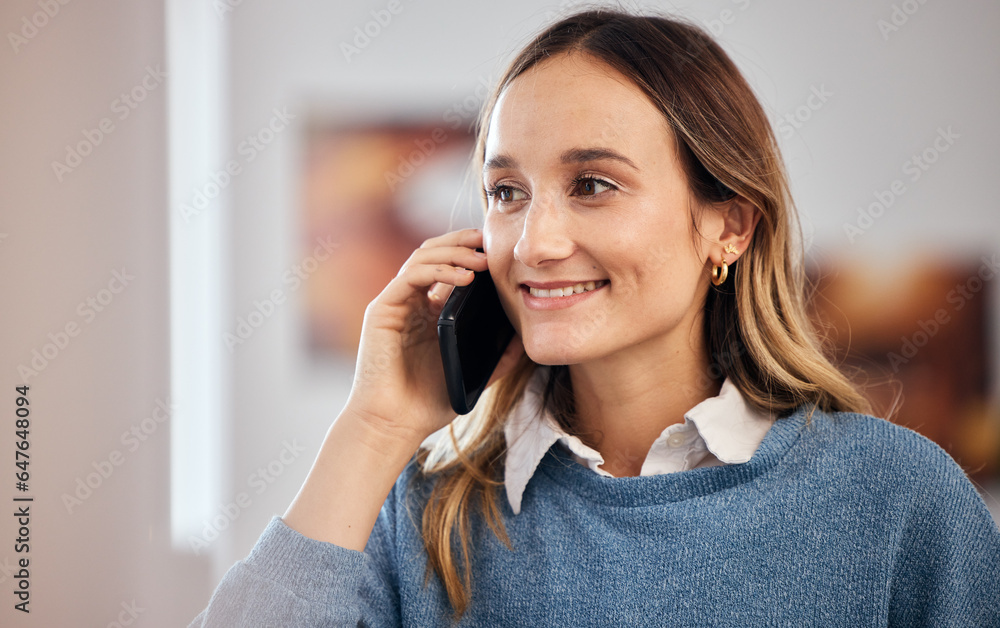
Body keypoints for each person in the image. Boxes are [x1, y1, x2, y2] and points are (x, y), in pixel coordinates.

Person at [190, 8, 1000, 627]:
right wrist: (372, 429)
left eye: (593, 185)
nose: (534, 243)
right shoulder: (423, 515)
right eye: (507, 194)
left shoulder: (897, 500)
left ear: (730, 224)